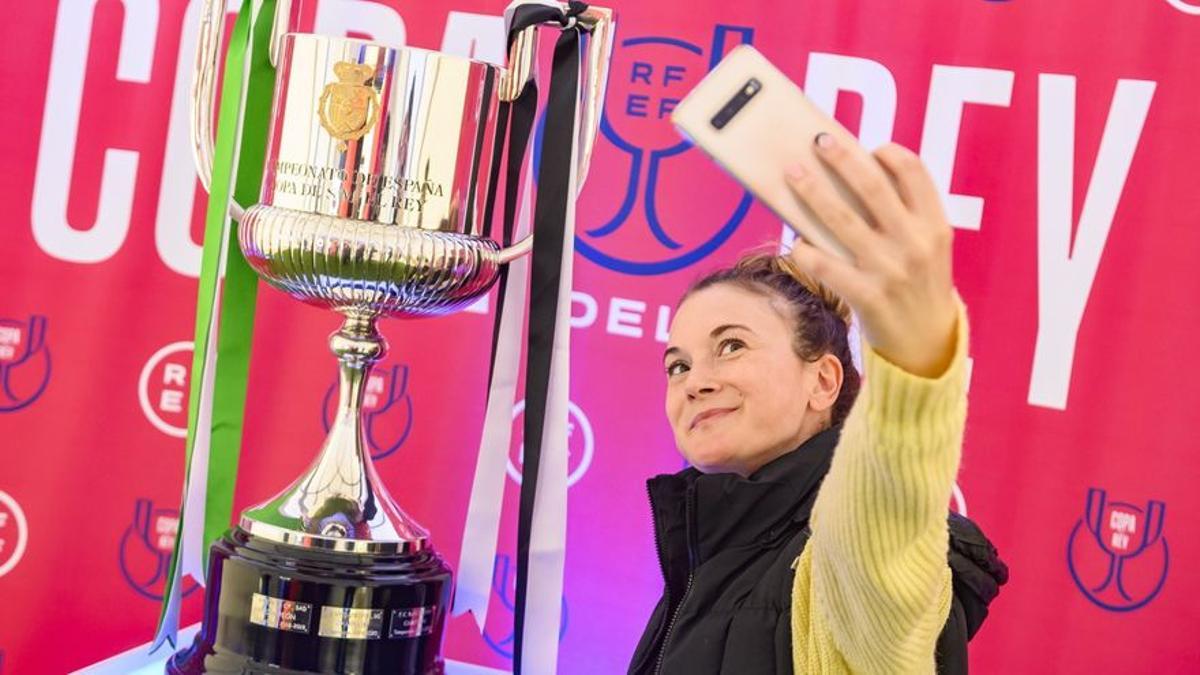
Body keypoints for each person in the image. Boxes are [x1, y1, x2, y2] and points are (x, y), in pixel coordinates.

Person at [628, 134, 1008, 674]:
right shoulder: (707, 557)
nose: (695, 382)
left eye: (731, 345)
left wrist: (916, 355)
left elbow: (887, 504)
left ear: (824, 382)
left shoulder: (836, 561)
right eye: (678, 365)